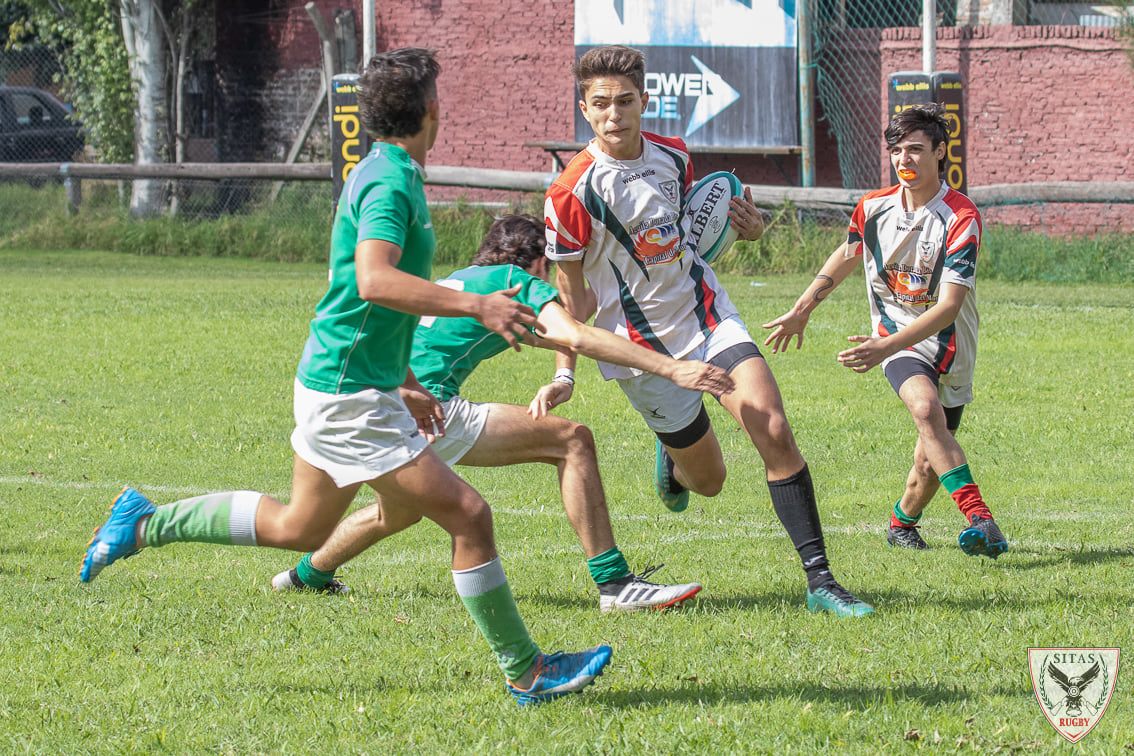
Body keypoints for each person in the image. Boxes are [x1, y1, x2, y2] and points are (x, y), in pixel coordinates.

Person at [79, 48, 612, 706]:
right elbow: (373, 281)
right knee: (469, 515)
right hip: (349, 392)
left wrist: (404, 378)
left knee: (298, 526)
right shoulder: (389, 182)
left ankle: (143, 523)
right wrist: (476, 305)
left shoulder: (390, 171)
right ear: (431, 110)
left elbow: (370, 305)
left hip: (348, 378)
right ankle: (528, 672)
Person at [543, 45, 873, 617]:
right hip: (642, 353)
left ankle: (821, 582)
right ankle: (673, 462)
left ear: (645, 101)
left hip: (707, 316)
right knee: (710, 481)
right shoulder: (570, 194)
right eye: (601, 103)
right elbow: (571, 301)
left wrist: (747, 229)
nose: (614, 114)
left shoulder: (673, 155)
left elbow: (688, 237)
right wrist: (564, 372)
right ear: (584, 108)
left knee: (772, 427)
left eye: (626, 101)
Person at [272, 214, 733, 612]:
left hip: (381, 404)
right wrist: (671, 368)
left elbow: (557, 333)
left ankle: (304, 576)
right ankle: (615, 585)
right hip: (429, 409)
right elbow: (574, 332)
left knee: (397, 513)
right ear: (537, 263)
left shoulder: (464, 280)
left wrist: (563, 377)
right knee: (572, 441)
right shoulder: (514, 282)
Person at [762, 103, 1008, 558]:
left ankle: (901, 523)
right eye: (896, 150)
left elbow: (950, 307)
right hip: (895, 335)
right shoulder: (873, 207)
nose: (903, 159)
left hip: (949, 344)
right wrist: (803, 309)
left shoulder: (960, 216)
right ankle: (981, 519)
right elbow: (848, 253)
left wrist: (883, 348)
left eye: (915, 149)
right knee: (925, 407)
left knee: (928, 461)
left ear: (940, 152)